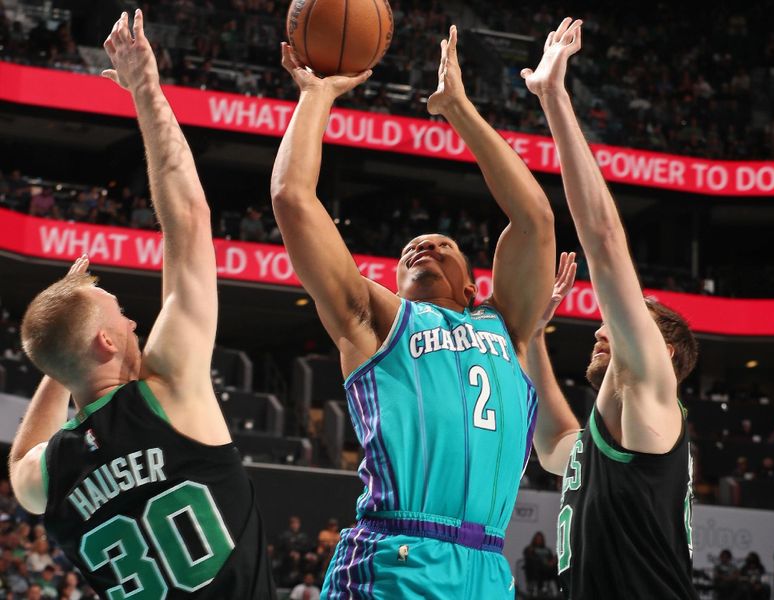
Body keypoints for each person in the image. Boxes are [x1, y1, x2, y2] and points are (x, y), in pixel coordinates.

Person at [271, 24, 555, 599]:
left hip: (486, 569)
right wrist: (315, 97)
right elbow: (292, 201)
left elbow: (534, 221)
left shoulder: (507, 325)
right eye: (408, 253)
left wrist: (458, 109)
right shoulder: (378, 320)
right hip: (396, 559)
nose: (421, 248)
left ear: (476, 287)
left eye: (442, 245)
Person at [8, 10, 274, 599]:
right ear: (106, 342)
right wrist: (147, 91)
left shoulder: (46, 477)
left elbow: (22, 455)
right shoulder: (170, 386)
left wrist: (60, 366)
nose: (133, 320)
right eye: (120, 314)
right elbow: (188, 219)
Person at [520, 18, 699, 599]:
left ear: (662, 348)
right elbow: (552, 445)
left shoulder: (650, 385)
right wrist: (531, 335)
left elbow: (602, 237)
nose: (603, 324)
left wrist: (554, 98)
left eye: (624, 319)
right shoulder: (602, 447)